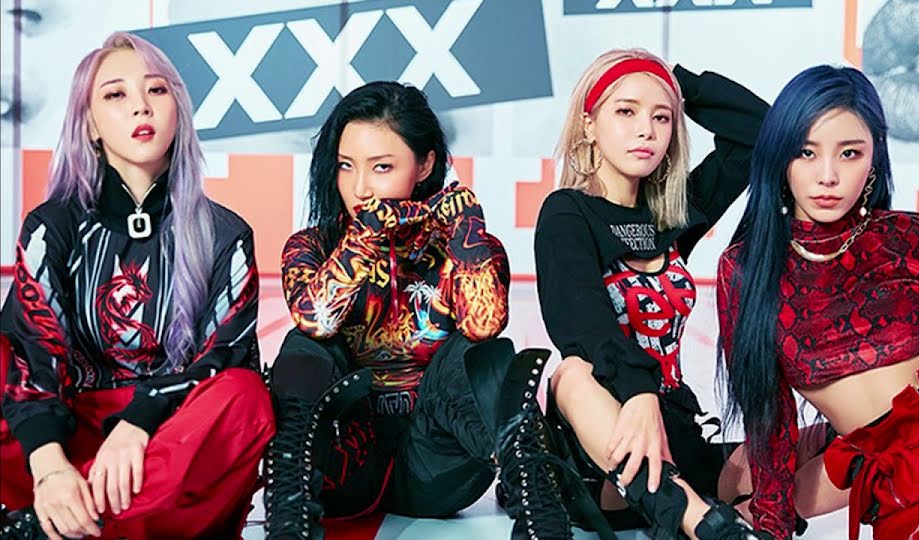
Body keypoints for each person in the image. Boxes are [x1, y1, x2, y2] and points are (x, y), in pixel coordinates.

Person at [0, 32, 273, 540]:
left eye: (157, 90)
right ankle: (64, 507)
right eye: (115, 94)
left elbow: (222, 359)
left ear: (178, 110)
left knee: (245, 394)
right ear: (90, 124)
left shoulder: (225, 235)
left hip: (169, 445)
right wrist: (51, 467)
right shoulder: (52, 227)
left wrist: (138, 422)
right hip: (64, 444)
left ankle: (53, 527)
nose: (140, 107)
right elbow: (31, 354)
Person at [262, 81, 562, 540]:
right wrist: (364, 237)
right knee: (303, 345)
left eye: (381, 167)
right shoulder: (311, 247)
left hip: (436, 467)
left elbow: (485, 325)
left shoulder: (465, 248)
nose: (360, 187)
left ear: (424, 166)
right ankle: (288, 519)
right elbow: (317, 320)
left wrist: (466, 232)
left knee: (480, 352)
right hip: (345, 466)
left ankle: (540, 514)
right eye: (345, 166)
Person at [532, 48, 773, 540]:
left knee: (834, 440)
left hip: (674, 430)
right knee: (570, 374)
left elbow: (761, 133)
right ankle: (705, 524)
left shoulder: (671, 215)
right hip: (605, 446)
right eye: (626, 111)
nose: (646, 130)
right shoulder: (567, 213)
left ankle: (715, 511)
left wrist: (680, 84)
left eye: (661, 117)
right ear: (589, 125)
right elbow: (582, 326)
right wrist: (639, 394)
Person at [716, 65, 919, 540]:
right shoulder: (746, 269)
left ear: (874, 158)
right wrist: (772, 524)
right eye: (806, 152)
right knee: (730, 492)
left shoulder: (915, 238)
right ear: (780, 158)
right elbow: (770, 417)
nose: (827, 176)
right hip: (872, 465)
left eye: (849, 153)